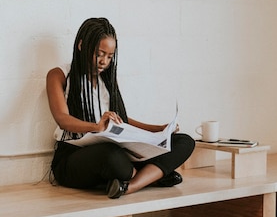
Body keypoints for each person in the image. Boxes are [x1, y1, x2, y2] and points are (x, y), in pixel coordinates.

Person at [46, 17, 195, 199]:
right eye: (99, 54)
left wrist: (160, 130)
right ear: (81, 45)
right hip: (74, 158)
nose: (104, 62)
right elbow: (62, 118)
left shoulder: (107, 80)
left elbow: (122, 120)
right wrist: (95, 127)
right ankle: (152, 177)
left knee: (184, 141)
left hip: (115, 149)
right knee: (113, 158)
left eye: (109, 56)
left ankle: (130, 186)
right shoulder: (59, 75)